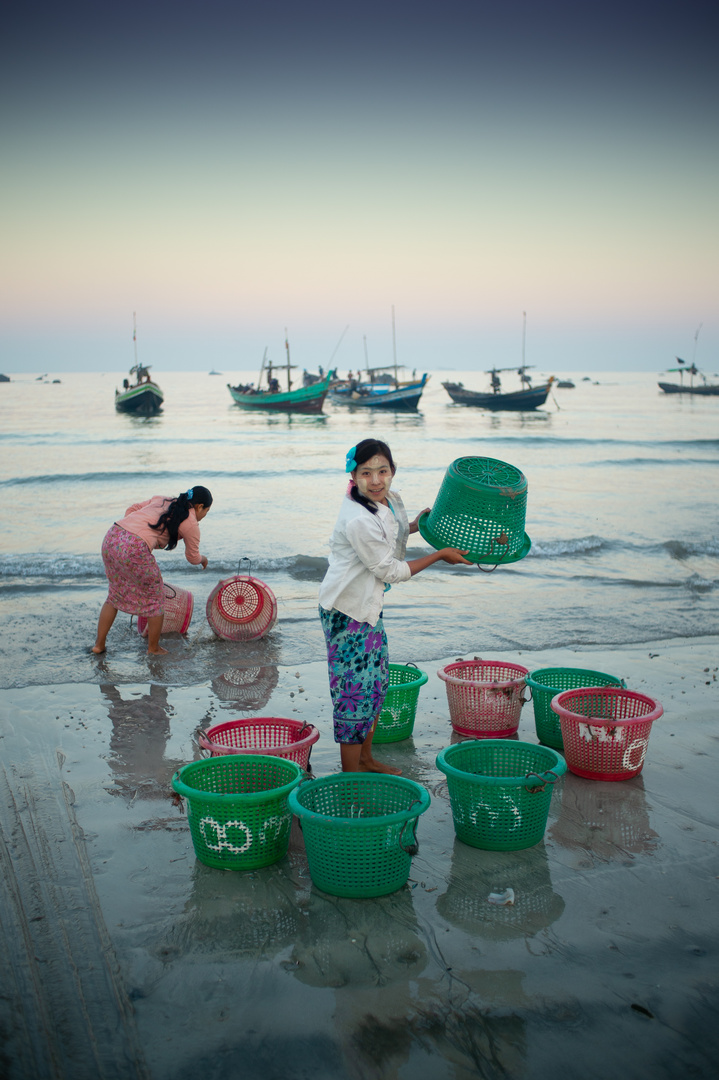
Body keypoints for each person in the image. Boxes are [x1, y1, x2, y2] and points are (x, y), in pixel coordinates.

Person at [319, 439, 471, 773]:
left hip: (367, 608)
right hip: (347, 613)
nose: (375, 480)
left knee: (376, 682)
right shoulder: (358, 517)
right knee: (354, 694)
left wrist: (416, 525)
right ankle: (350, 776)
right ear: (353, 476)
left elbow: (390, 538)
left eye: (382, 471)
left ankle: (367, 759)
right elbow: (390, 570)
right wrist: (440, 556)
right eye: (366, 473)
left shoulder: (383, 502)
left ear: (393, 471)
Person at [92, 486, 212, 656]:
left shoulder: (163, 500)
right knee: (156, 598)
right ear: (199, 507)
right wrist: (203, 559)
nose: (203, 516)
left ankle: (99, 645)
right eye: (206, 512)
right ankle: (153, 648)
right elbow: (193, 557)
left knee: (114, 595)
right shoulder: (191, 522)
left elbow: (132, 509)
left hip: (112, 536)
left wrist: (131, 531)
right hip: (133, 547)